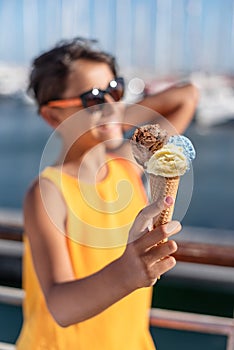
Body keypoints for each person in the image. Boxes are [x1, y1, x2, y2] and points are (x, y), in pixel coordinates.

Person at [16, 37, 198, 350]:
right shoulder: (48, 192)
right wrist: (129, 272)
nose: (111, 104)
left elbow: (186, 96)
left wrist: (111, 113)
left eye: (115, 89)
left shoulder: (129, 164)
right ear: (53, 116)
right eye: (93, 98)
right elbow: (60, 305)